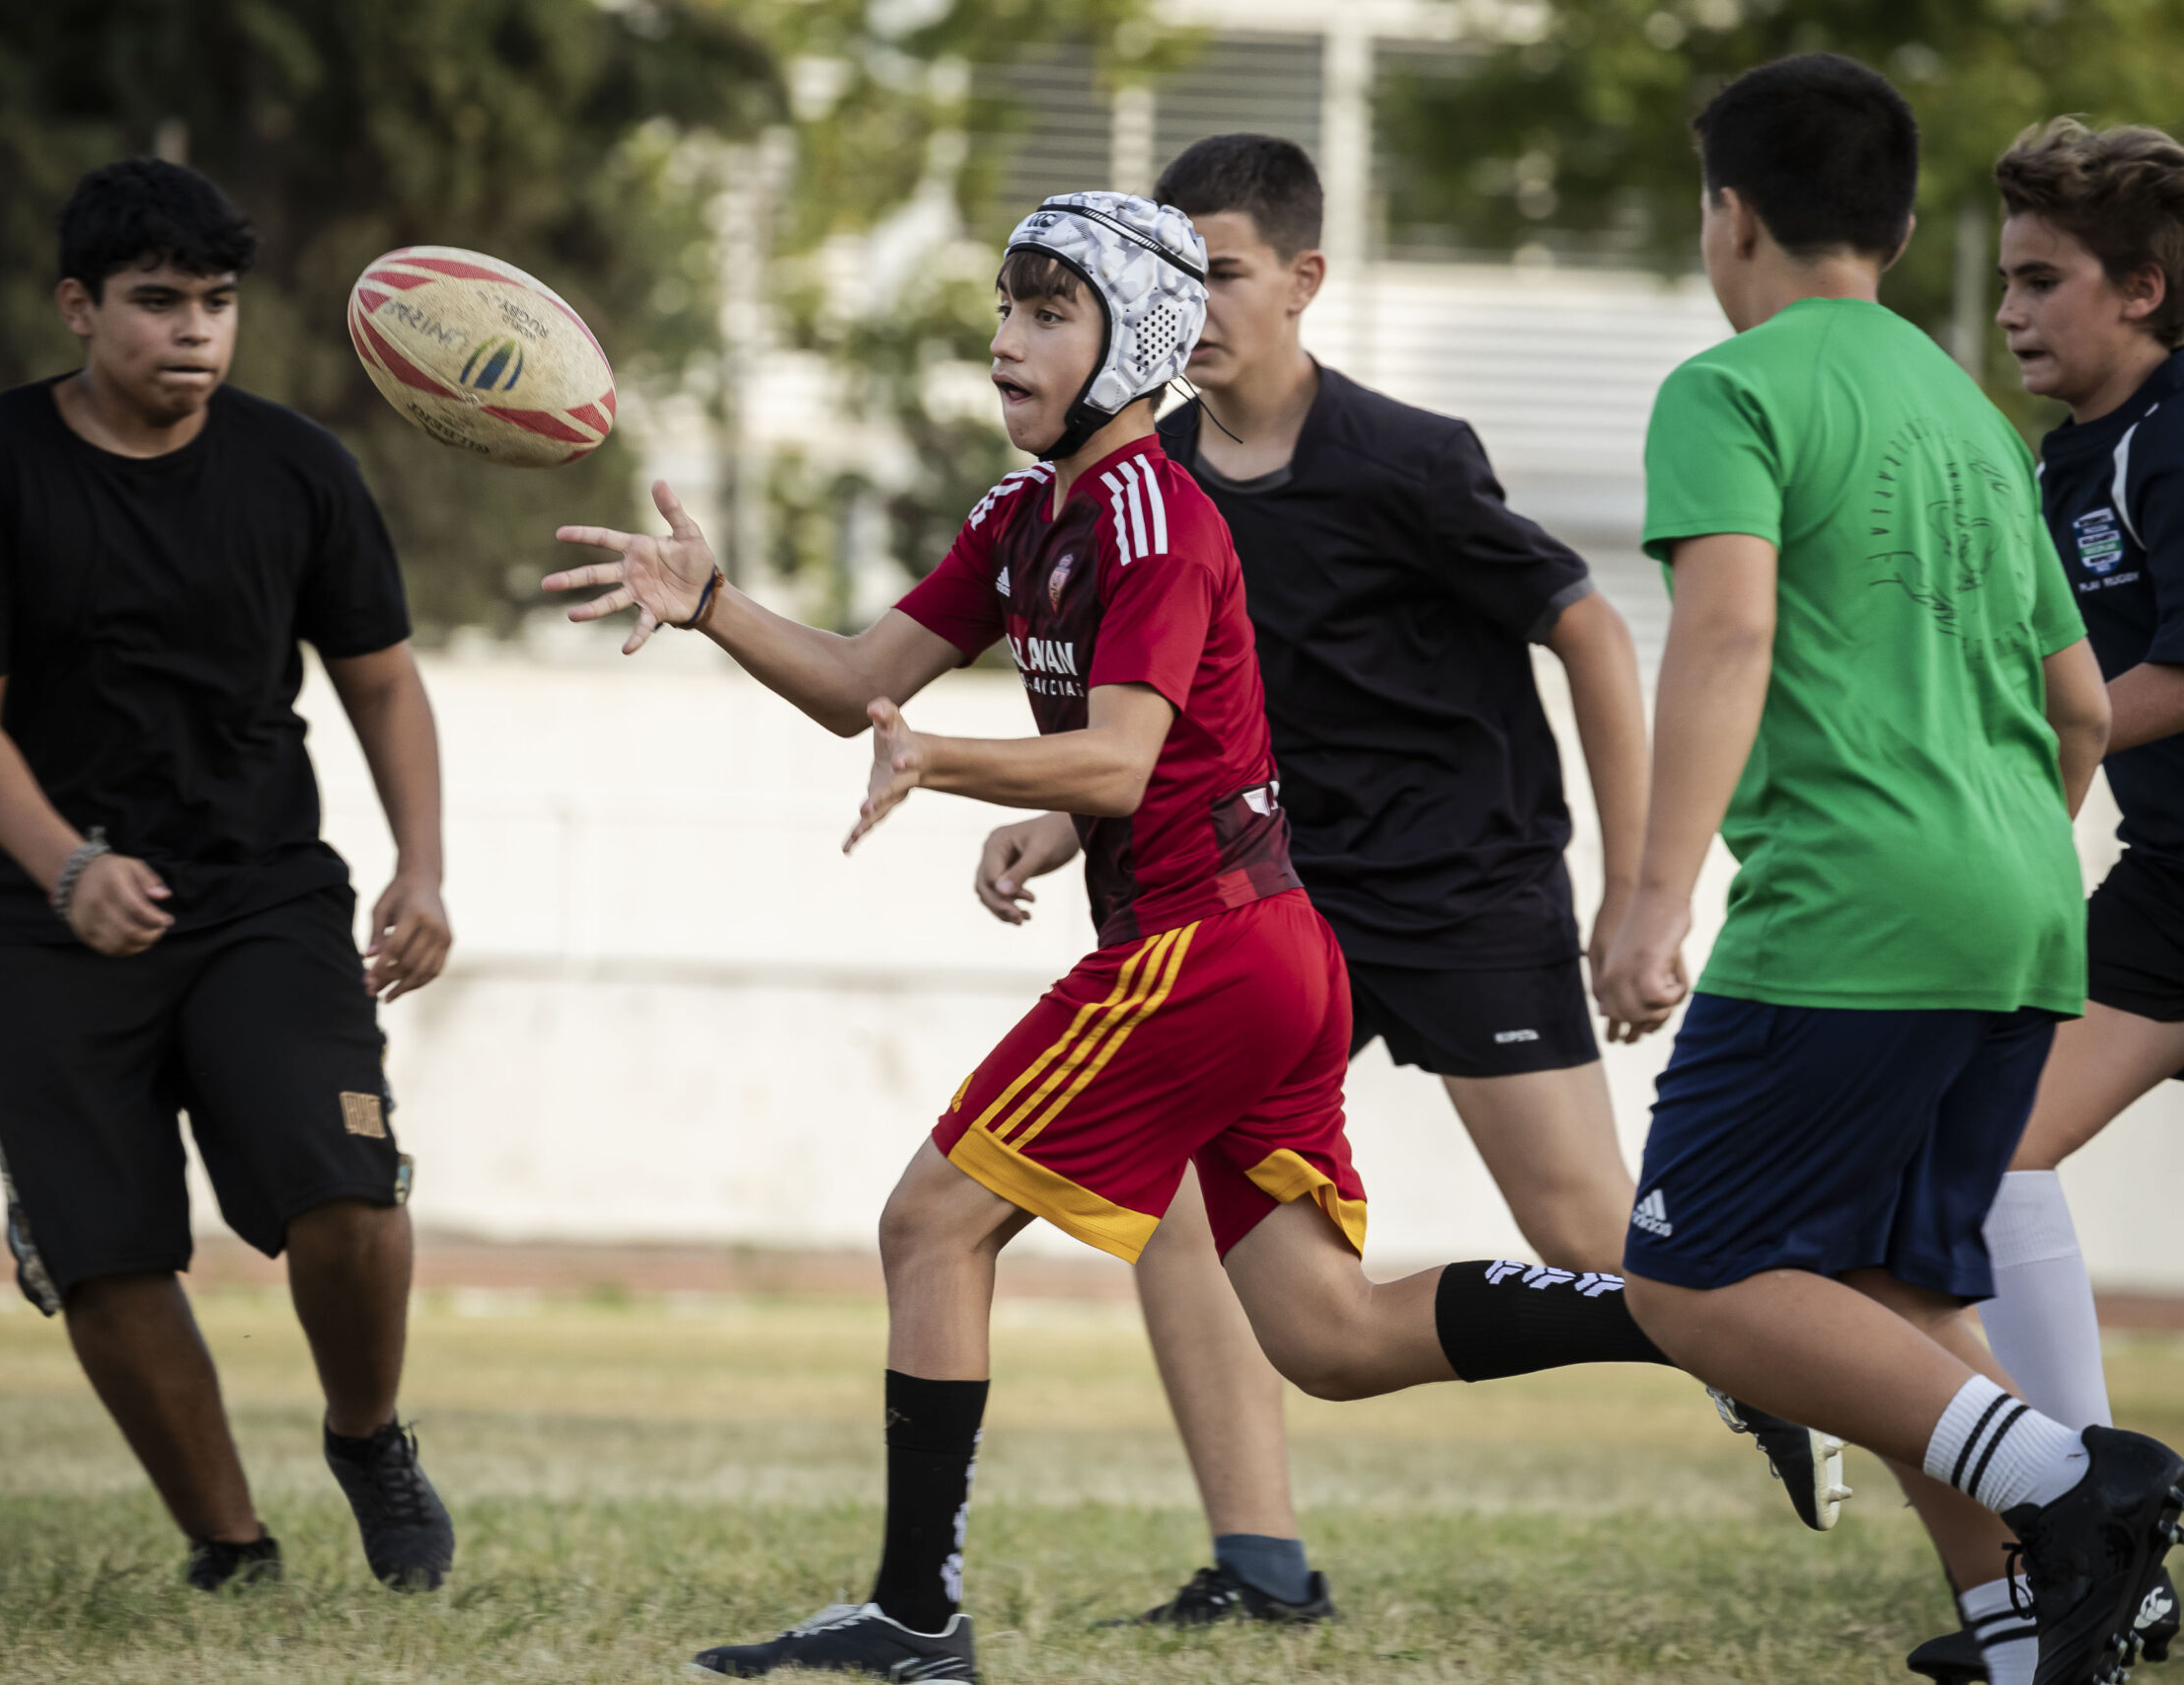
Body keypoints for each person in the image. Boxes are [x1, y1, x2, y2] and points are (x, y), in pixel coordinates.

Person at [545, 191, 1693, 1685]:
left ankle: (913, 1620)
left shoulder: (1151, 513)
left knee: (929, 1226)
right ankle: (1690, 1322)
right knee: (1331, 1340)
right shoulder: (1024, 518)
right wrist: (713, 605)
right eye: (1005, 313)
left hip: (1199, 955)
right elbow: (852, 681)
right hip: (1267, 953)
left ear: (1131, 338)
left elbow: (1117, 765)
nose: (1008, 344)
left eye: (1046, 312)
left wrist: (942, 760)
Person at [966, 134, 1833, 1629]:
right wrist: (1067, 818)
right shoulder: (1140, 478)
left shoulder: (1408, 459)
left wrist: (1641, 894)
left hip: (1467, 891)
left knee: (1586, 1227)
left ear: (1304, 282)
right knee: (1167, 1190)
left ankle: (1810, 1371)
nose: (1195, 302)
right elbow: (1163, 715)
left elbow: (1593, 632)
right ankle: (1260, 1565)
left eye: (1222, 271)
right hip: (1273, 903)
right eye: (1169, 274)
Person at [1591, 57, 2184, 1685]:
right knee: (1883, 1284)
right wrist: (2000, 846)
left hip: (1852, 915)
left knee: (1688, 1278)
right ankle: (2026, 1642)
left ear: (1729, 216)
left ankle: (2079, 1483)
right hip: (2016, 907)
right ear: (1905, 222)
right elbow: (2080, 704)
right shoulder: (1976, 418)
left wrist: (1651, 896)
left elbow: (1726, 627)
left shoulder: (1731, 390)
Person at [0, 159, 456, 1593]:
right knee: (105, 1251)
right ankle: (234, 1547)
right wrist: (67, 862)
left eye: (216, 302)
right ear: (79, 310)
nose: (195, 331)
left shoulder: (296, 469)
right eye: (156, 303)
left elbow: (383, 683)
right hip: (41, 918)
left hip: (262, 893)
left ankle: (370, 1436)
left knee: (351, 1194)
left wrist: (423, 869)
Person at [1902, 117, 2184, 1685]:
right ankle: (2093, 1536)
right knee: (1989, 1142)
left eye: (2042, 281)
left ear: (2143, 289)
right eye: (2006, 280)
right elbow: (2065, 690)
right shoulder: (2067, 453)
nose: (2010, 312)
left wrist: (1998, 747)